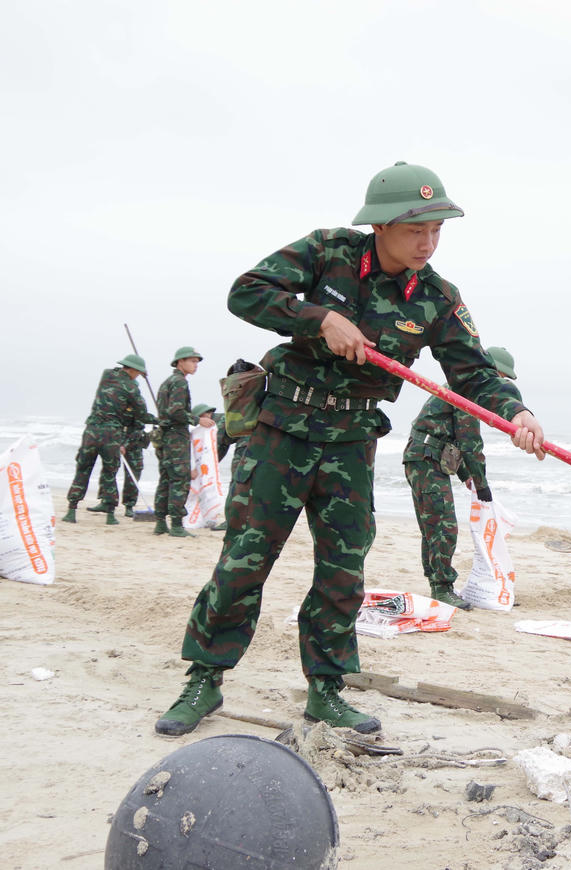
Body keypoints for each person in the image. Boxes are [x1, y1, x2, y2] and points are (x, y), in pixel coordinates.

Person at [155, 161, 545, 738]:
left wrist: (516, 410)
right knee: (245, 560)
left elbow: (473, 372)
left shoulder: (437, 297)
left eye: (437, 229)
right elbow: (246, 293)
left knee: (343, 570)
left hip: (352, 439)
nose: (428, 242)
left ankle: (327, 690)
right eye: (416, 229)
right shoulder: (327, 252)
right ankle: (204, 679)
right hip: (281, 428)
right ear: (381, 225)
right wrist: (319, 319)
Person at [403, 346, 518, 610]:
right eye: (501, 377)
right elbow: (470, 443)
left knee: (434, 525)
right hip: (426, 460)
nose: (500, 386)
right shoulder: (467, 389)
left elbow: (453, 437)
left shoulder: (461, 385)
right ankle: (441, 589)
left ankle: (439, 586)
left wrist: (466, 475)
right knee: (442, 526)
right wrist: (482, 484)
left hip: (426, 458)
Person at [63, 354, 155, 525]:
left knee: (83, 469)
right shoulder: (132, 388)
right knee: (110, 472)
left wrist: (139, 372)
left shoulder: (106, 375)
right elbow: (142, 415)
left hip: (91, 430)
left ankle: (71, 510)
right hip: (111, 434)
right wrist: (158, 419)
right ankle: (110, 515)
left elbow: (116, 371)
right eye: (138, 373)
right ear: (134, 370)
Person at [154, 346, 203, 538]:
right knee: (179, 480)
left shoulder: (167, 382)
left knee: (166, 478)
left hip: (166, 436)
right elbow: (176, 412)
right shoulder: (180, 383)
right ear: (180, 362)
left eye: (197, 362)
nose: (195, 365)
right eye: (192, 361)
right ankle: (176, 524)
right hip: (176, 436)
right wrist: (198, 420)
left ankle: (160, 523)